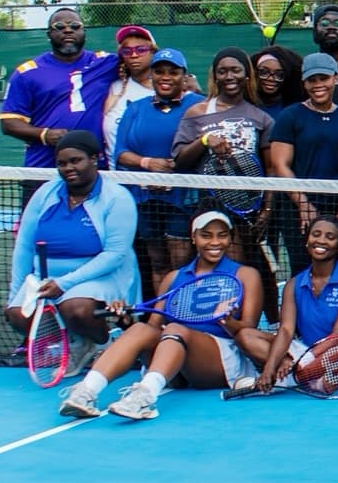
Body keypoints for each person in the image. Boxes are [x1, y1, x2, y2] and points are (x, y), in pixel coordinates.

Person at [58, 209, 266, 420]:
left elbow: (248, 331)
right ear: (193, 238)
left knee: (175, 329)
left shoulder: (246, 275)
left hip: (218, 362)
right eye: (206, 235)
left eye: (222, 235)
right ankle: (85, 392)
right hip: (175, 360)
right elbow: (153, 327)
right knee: (141, 329)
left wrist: (227, 321)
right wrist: (125, 320)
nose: (215, 242)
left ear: (230, 237)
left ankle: (143, 398)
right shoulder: (173, 278)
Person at [6, 132, 139, 380]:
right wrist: (15, 293)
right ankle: (75, 342)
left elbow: (115, 254)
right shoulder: (46, 193)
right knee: (16, 315)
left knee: (76, 308)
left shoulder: (117, 198)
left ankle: (102, 343)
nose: (68, 168)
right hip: (46, 278)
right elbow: (24, 245)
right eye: (62, 163)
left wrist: (64, 283)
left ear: (94, 159)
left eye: (75, 161)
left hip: (102, 276)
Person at [171, 49, 276, 310]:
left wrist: (267, 208)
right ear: (215, 76)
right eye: (223, 71)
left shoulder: (261, 118)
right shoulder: (196, 113)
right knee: (215, 272)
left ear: (246, 76)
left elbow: (271, 169)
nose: (229, 76)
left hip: (246, 209)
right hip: (207, 206)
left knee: (254, 272)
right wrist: (205, 141)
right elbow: (179, 160)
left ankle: (261, 328)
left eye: (236, 70)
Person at [265, 53, 338, 283]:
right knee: (302, 273)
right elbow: (280, 164)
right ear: (304, 82)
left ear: (336, 78)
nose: (318, 85)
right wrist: (303, 205)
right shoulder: (290, 116)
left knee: (336, 274)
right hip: (297, 211)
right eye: (312, 80)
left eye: (324, 78)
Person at [111, 47, 196, 295]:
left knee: (182, 263)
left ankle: (184, 318)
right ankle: (161, 319)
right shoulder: (135, 108)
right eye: (159, 72)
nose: (165, 77)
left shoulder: (198, 106)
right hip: (145, 201)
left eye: (173, 72)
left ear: (184, 76)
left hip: (184, 201)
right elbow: (121, 153)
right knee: (157, 262)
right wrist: (148, 164)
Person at [255, 210, 338, 393]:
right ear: (307, 241)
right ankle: (304, 375)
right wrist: (269, 367)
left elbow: (337, 335)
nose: (321, 240)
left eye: (330, 237)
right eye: (316, 234)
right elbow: (286, 330)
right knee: (247, 336)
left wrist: (304, 360)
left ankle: (298, 374)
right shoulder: (293, 284)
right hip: (304, 350)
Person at [0, 7, 120, 167]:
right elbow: (9, 123)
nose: (68, 30)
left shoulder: (106, 62)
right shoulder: (27, 72)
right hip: (43, 169)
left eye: (75, 26)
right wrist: (44, 134)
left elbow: (143, 60)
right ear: (49, 34)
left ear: (84, 32)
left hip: (93, 169)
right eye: (60, 27)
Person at [101, 24, 157, 161]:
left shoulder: (165, 90)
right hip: (116, 174)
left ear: (153, 52)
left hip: (155, 175)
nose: (134, 55)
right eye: (127, 51)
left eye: (141, 50)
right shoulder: (114, 88)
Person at [249, 45, 304, 113]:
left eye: (279, 75)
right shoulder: (244, 103)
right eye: (264, 72)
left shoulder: (296, 109)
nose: (271, 78)